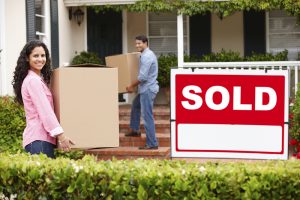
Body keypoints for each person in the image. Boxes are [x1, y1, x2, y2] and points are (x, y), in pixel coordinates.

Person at [12, 40, 73, 158]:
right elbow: (46, 112)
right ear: (27, 58)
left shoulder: (37, 80)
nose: (40, 59)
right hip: (39, 141)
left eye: (43, 55)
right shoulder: (33, 81)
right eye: (35, 56)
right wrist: (62, 136)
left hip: (40, 140)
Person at [126, 35, 159, 150]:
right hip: (145, 89)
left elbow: (143, 77)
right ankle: (135, 129)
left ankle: (152, 143)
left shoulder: (147, 56)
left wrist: (131, 86)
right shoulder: (143, 55)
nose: (137, 45)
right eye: (136, 43)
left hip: (148, 89)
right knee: (135, 105)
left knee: (147, 116)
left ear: (146, 43)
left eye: (139, 43)